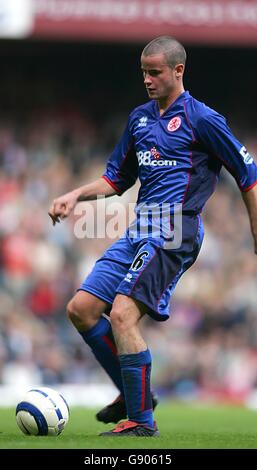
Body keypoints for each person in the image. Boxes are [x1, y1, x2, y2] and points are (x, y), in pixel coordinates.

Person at [48, 36, 257, 437]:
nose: (147, 79)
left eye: (155, 71)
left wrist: (254, 229)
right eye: (144, 71)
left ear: (178, 71)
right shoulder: (140, 119)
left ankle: (141, 422)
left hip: (176, 230)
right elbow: (116, 179)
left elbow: (247, 175)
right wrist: (75, 195)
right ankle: (131, 395)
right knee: (82, 308)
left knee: (124, 313)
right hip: (139, 228)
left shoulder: (204, 119)